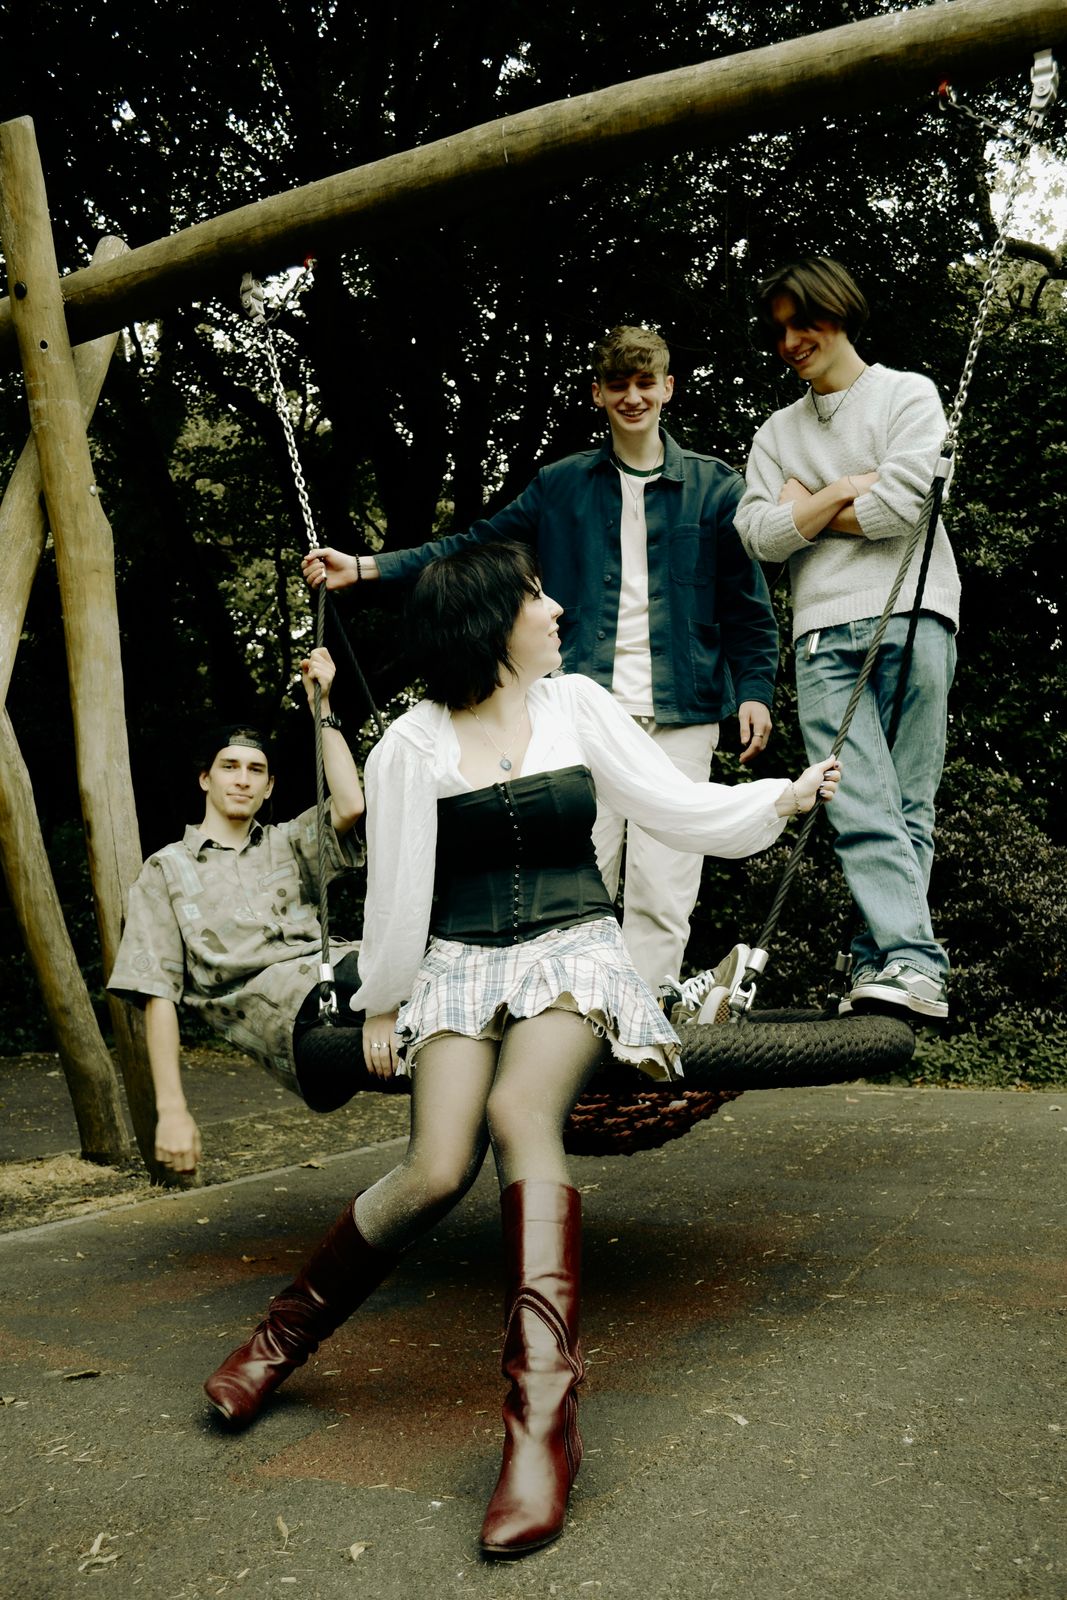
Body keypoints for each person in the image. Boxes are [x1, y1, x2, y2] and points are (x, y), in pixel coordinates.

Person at [203, 541, 839, 1560]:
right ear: (489, 623)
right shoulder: (410, 744)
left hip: (571, 952)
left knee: (516, 1111)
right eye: (535, 597)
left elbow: (668, 805)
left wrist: (779, 799)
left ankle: (542, 1423)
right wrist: (380, 1003)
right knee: (432, 1168)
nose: (554, 611)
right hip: (458, 962)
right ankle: (278, 1340)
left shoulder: (575, 705)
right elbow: (399, 896)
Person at [299, 325, 779, 991]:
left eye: (645, 383)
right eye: (617, 384)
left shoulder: (715, 488)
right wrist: (365, 567)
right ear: (597, 393)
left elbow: (746, 605)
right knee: (581, 876)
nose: (632, 397)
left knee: (664, 892)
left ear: (668, 388)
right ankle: (573, 1013)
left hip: (682, 713)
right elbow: (473, 546)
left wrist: (754, 688)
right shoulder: (561, 485)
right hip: (580, 711)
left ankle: (643, 1022)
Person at [734, 256, 959, 1021]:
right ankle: (914, 963)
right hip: (822, 633)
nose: (790, 342)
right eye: (778, 331)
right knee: (858, 801)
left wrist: (803, 507)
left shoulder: (907, 395)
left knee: (907, 806)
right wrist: (841, 489)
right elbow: (758, 537)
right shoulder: (775, 433)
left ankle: (882, 961)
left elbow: (902, 508)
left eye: (803, 322)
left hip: (918, 613)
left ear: (839, 310)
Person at [107, 648, 366, 1173]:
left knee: (454, 1010)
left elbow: (350, 804)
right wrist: (172, 1111)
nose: (243, 779)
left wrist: (321, 707)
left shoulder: (288, 843)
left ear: (269, 788)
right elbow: (157, 994)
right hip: (294, 1024)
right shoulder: (166, 871)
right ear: (206, 778)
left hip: (350, 982)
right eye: (230, 767)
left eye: (255, 770)